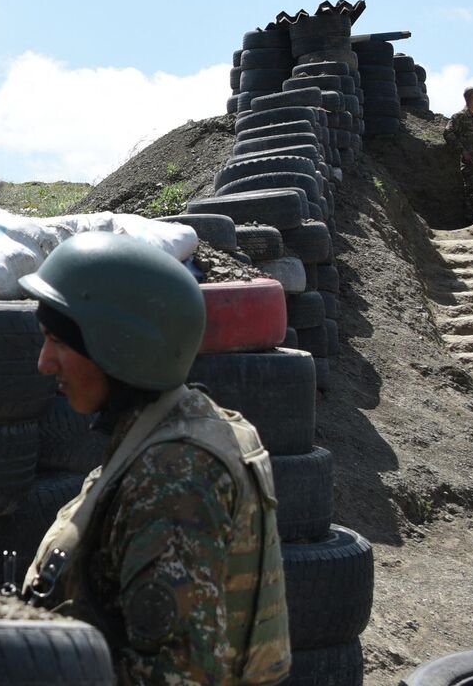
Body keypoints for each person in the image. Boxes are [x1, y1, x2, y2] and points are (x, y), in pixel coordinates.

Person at [18, 232, 290, 685]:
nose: (44, 363)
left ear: (119, 346)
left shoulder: (174, 474)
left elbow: (172, 675)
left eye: (59, 342)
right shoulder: (173, 427)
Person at [444, 86, 473, 223]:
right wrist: (463, 151)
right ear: (472, 97)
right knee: (471, 193)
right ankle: (470, 223)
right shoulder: (460, 117)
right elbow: (448, 133)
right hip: (469, 164)